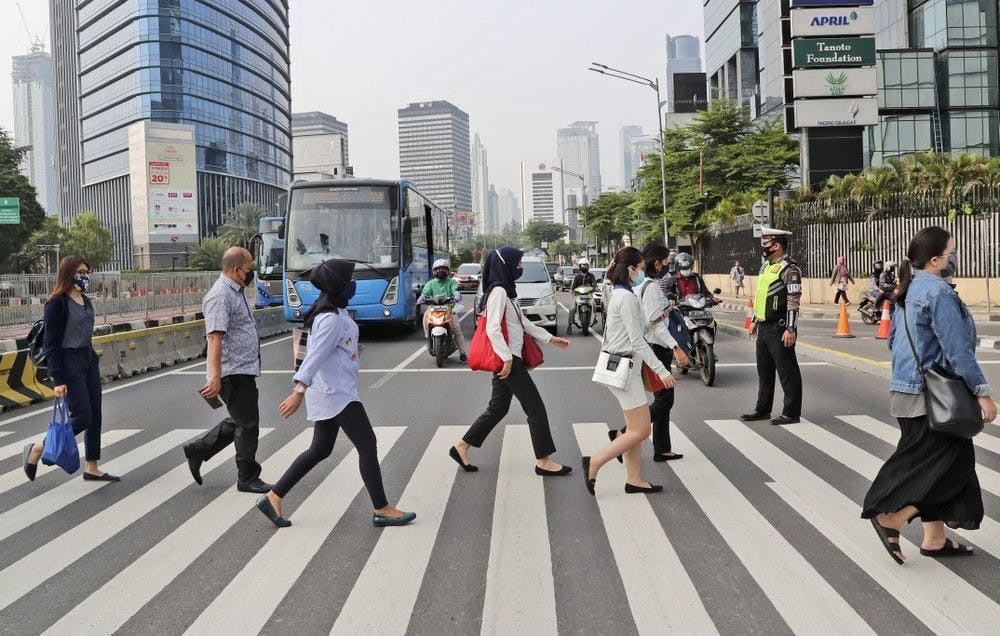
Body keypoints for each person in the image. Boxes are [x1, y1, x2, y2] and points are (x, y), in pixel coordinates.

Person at [863, 226, 995, 563]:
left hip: (907, 390)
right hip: (931, 396)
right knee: (948, 464)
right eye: (951, 254)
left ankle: (935, 538)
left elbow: (894, 342)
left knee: (939, 461)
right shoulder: (938, 293)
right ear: (935, 260)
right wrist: (982, 393)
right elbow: (958, 352)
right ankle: (893, 517)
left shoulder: (908, 288)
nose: (954, 258)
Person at [255, 259, 416, 528]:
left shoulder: (335, 312)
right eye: (350, 278)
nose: (354, 283)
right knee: (368, 444)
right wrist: (298, 390)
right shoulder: (329, 318)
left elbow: (333, 348)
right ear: (338, 285)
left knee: (320, 449)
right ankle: (381, 508)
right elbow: (314, 356)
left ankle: (273, 496)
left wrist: (352, 350)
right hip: (336, 393)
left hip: (335, 389)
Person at [450, 246, 572, 475]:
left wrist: (550, 338)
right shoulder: (498, 292)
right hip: (509, 359)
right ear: (505, 265)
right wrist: (507, 359)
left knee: (498, 408)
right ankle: (543, 461)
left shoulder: (507, 292)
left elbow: (522, 323)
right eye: (517, 264)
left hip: (508, 358)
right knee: (535, 408)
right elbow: (493, 329)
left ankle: (462, 446)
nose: (520, 268)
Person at [582, 247, 675, 495]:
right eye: (641, 268)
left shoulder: (622, 294)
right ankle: (595, 462)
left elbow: (633, 329)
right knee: (642, 430)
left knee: (634, 429)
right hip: (625, 369)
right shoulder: (626, 297)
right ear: (631, 269)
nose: (642, 273)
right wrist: (662, 371)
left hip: (626, 369)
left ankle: (634, 479)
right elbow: (637, 341)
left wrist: (656, 318)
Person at [183, 247, 272, 493]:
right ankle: (247, 477)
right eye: (249, 268)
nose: (251, 272)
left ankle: (199, 449)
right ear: (236, 270)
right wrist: (214, 376)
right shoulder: (220, 295)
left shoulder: (236, 291)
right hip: (232, 370)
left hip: (242, 367)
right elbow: (214, 338)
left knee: (242, 420)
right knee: (248, 424)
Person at [22, 257, 119, 482]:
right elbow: (51, 343)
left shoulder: (86, 300)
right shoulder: (56, 303)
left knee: (95, 415)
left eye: (87, 271)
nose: (84, 275)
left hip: (87, 358)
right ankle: (38, 448)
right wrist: (57, 379)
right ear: (68, 274)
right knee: (82, 417)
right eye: (80, 272)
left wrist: (90, 359)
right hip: (67, 362)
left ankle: (92, 466)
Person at [608, 244, 690, 462]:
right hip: (656, 347)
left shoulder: (639, 286)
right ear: (657, 263)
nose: (667, 265)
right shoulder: (650, 287)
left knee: (664, 398)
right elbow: (656, 326)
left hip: (651, 346)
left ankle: (662, 448)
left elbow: (650, 319)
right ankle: (623, 434)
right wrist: (675, 347)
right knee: (664, 400)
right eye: (665, 261)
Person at [740, 227, 803, 426]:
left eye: (766, 244)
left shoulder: (790, 269)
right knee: (764, 371)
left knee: (787, 371)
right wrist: (755, 321)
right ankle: (762, 409)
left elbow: (793, 300)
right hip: (765, 327)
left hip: (780, 327)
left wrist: (791, 328)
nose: (763, 248)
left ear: (777, 246)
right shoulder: (766, 266)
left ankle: (791, 413)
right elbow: (762, 297)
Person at [418, 258, 468, 363]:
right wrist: (421, 298)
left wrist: (457, 295)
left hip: (448, 309)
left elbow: (455, 290)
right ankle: (428, 337)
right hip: (433, 309)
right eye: (438, 269)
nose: (441, 271)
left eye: (443, 269)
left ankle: (463, 354)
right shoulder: (430, 283)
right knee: (424, 317)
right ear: (434, 271)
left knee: (457, 330)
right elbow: (424, 293)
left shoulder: (452, 282)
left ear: (448, 271)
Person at [567, 258, 597, 334]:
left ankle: (595, 317)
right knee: (572, 308)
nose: (584, 267)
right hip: (578, 295)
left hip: (589, 295)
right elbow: (573, 287)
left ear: (588, 266)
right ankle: (570, 325)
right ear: (580, 266)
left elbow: (594, 284)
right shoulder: (577, 277)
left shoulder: (591, 276)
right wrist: (572, 290)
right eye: (582, 265)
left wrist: (595, 288)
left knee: (594, 304)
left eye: (585, 265)